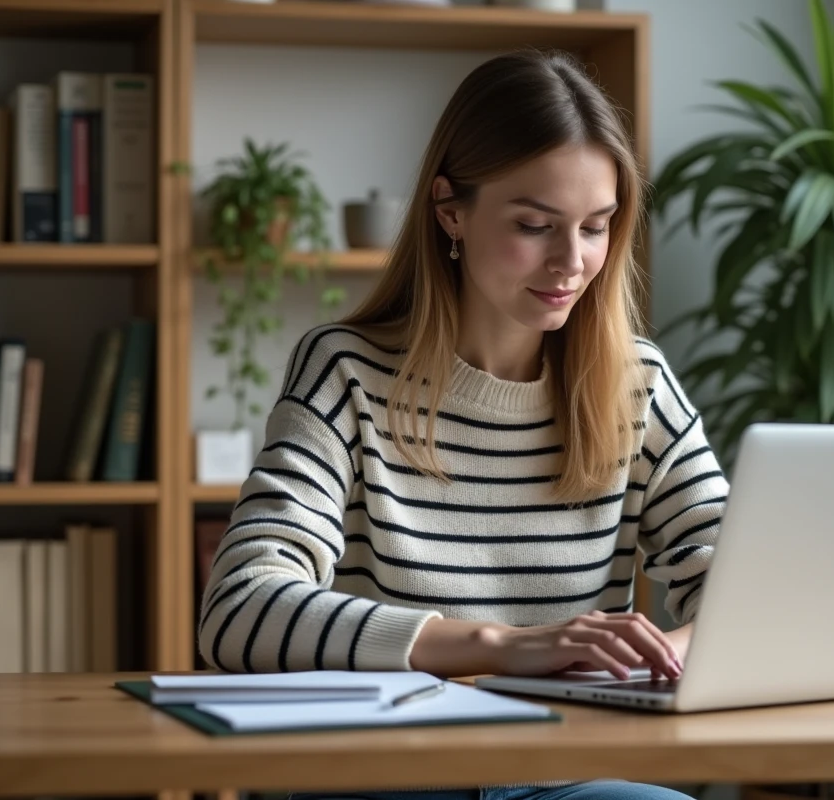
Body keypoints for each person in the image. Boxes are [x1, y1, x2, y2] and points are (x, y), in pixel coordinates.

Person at [198, 48, 729, 800]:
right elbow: (238, 611)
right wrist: (503, 648)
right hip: (389, 779)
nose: (572, 262)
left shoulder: (635, 384)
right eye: (536, 225)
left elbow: (740, 590)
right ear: (450, 209)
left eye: (595, 227)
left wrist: (651, 658)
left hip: (566, 781)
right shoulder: (346, 371)